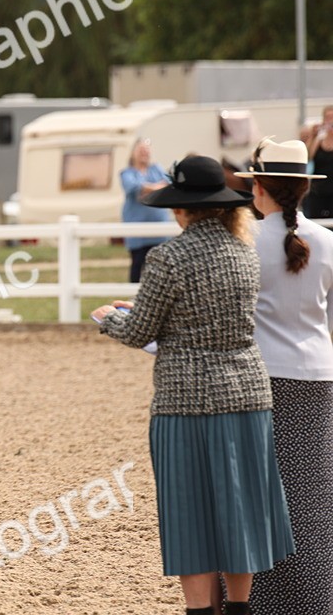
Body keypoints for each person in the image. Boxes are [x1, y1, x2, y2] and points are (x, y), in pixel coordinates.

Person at [91, 154, 294, 615]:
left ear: (180, 208)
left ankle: (200, 610)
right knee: (241, 511)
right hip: (247, 395)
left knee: (191, 516)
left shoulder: (168, 257)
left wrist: (107, 320)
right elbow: (211, 315)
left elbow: (139, 333)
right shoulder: (244, 253)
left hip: (186, 401)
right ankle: (239, 608)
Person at [234, 138, 333, 615]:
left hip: (261, 376)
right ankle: (313, 597)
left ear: (259, 187)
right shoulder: (328, 241)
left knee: (256, 493)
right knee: (311, 497)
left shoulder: (246, 240)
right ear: (303, 188)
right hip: (318, 376)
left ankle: (258, 598)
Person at [121, 139, 172, 281]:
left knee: (161, 269)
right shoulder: (127, 173)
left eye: (146, 150)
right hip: (137, 235)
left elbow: (169, 184)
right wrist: (156, 187)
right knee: (137, 267)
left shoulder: (157, 169)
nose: (144, 153)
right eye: (141, 150)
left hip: (160, 232)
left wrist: (147, 188)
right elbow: (133, 187)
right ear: (133, 153)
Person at [303, 105, 333, 218]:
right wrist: (312, 136)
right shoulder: (318, 141)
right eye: (328, 118)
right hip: (318, 190)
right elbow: (307, 157)